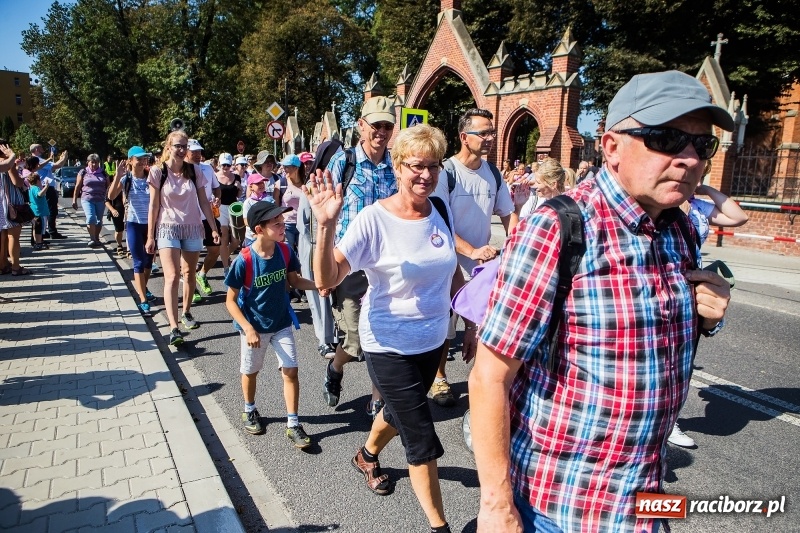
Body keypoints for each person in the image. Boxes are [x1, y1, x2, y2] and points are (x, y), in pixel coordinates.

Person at [469, 70, 733, 532]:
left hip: (646, 501)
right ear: (611, 146)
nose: (689, 158)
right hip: (562, 507)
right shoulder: (561, 227)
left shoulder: (682, 229)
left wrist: (706, 318)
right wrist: (495, 506)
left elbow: (647, 344)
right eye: (668, 139)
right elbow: (490, 375)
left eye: (701, 145)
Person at [308, 124, 461, 533]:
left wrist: (476, 316)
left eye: (433, 166)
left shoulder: (439, 211)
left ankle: (366, 454)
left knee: (395, 413)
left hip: (431, 342)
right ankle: (439, 526)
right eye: (416, 166)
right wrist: (324, 226)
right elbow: (327, 278)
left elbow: (453, 272)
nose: (425, 175)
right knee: (420, 436)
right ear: (397, 167)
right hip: (388, 343)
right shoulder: (373, 220)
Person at [319, 95, 398, 418]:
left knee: (381, 335)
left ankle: (378, 399)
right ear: (361, 126)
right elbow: (323, 217)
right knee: (354, 339)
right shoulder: (343, 163)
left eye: (387, 126)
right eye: (375, 125)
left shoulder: (398, 164)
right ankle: (336, 368)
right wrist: (324, 270)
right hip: (348, 263)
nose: (381, 131)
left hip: (387, 263)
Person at [431, 108, 516, 407]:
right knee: (446, 325)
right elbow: (438, 224)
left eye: (492, 132)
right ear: (464, 137)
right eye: (484, 133)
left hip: (482, 268)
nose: (491, 138)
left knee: (484, 325)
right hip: (448, 262)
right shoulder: (447, 173)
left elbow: (508, 214)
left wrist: (517, 245)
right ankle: (439, 379)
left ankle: (483, 381)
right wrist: (470, 251)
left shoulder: (492, 173)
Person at [225, 201, 325, 447]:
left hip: (281, 322)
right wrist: (248, 328)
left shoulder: (285, 251)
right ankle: (249, 409)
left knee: (291, 370)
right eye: (277, 224)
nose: (283, 227)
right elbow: (230, 301)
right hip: (254, 327)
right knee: (251, 371)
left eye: (283, 223)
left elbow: (295, 280)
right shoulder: (245, 260)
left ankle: (293, 423)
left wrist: (319, 286)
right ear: (259, 229)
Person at [668, 164, 748, 448]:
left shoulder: (699, 207)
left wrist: (707, 189)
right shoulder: (664, 200)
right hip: (665, 282)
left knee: (683, 360)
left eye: (700, 173)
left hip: (693, 286)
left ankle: (670, 422)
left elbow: (739, 217)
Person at [145, 130, 219, 346]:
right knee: (172, 276)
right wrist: (150, 236)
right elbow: (154, 205)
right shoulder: (158, 172)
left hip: (193, 227)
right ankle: (174, 327)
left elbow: (205, 202)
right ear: (168, 147)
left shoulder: (195, 171)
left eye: (184, 146)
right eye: (177, 145)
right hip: (168, 228)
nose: (181, 150)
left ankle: (186, 311)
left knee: (189, 273)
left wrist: (213, 227)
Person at [298, 141, 341, 359]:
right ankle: (323, 339)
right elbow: (302, 223)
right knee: (318, 293)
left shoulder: (338, 182)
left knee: (332, 294)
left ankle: (335, 335)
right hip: (314, 247)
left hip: (332, 247)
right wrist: (318, 246)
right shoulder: (312, 183)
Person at [107, 146, 156, 316]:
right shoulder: (126, 179)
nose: (143, 161)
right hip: (134, 223)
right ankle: (143, 299)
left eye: (145, 158)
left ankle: (143, 287)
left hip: (151, 225)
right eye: (139, 158)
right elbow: (111, 196)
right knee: (138, 262)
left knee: (149, 262)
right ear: (130, 161)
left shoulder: (152, 177)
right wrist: (117, 177)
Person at [186, 139, 222, 303]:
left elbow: (216, 188)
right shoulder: (181, 169)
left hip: (208, 216)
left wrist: (217, 198)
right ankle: (191, 287)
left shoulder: (207, 168)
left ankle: (202, 274)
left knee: (215, 250)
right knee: (188, 256)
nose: (198, 154)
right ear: (186, 152)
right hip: (188, 219)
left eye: (199, 151)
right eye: (194, 151)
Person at [0, 141, 31, 276]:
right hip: (12, 203)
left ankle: (3, 264)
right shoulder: (7, 162)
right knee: (13, 237)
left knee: (3, 237)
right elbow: (16, 182)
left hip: (2, 202)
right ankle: (16, 267)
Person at [29, 143, 68, 239]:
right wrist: (65, 157)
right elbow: (57, 165)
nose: (43, 149)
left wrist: (62, 159)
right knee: (51, 210)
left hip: (43, 187)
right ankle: (52, 232)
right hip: (46, 187)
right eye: (41, 147)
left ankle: (44, 232)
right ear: (37, 149)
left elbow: (56, 165)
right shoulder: (39, 160)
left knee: (46, 210)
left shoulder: (35, 160)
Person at [72, 154, 110, 247]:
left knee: (99, 221)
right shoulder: (83, 172)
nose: (94, 164)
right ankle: (92, 238)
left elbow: (108, 187)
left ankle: (96, 238)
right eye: (92, 162)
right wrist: (74, 200)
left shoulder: (103, 173)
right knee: (90, 217)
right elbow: (77, 186)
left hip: (101, 199)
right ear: (88, 162)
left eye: (96, 162)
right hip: (87, 198)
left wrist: (109, 200)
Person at [216, 152, 242, 277]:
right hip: (220, 208)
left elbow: (238, 195)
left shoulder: (236, 177)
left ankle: (226, 255)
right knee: (224, 238)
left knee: (237, 239)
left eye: (228, 165)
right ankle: (226, 267)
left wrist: (239, 188)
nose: (225, 168)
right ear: (219, 165)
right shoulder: (215, 177)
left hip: (234, 208)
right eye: (223, 165)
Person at [105, 161, 128, 257]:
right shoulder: (112, 186)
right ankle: (119, 245)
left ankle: (129, 249)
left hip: (127, 210)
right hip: (117, 211)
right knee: (119, 230)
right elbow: (106, 200)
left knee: (129, 230)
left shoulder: (127, 184)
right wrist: (112, 210)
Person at [27, 172, 50, 251]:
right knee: (40, 229)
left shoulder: (30, 188)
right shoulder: (36, 188)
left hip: (34, 212)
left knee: (35, 228)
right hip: (40, 212)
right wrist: (46, 187)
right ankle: (39, 243)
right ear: (37, 180)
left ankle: (36, 242)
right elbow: (39, 194)